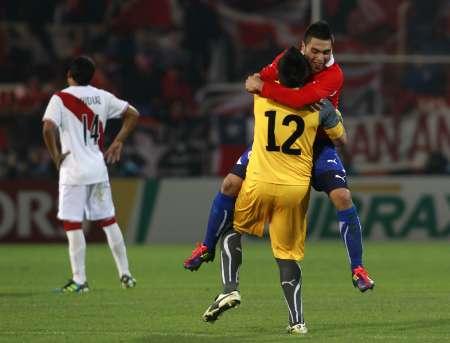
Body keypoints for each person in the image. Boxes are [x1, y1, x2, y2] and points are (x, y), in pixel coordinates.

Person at [184, 21, 374, 293]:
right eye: (315, 51)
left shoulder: (334, 75)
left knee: (343, 197)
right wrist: (259, 84)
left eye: (327, 52)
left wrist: (264, 89)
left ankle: (357, 268)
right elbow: (258, 78)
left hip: (317, 144)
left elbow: (292, 98)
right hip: (277, 143)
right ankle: (206, 246)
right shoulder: (286, 59)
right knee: (229, 184)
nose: (321, 58)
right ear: (303, 47)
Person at [202, 47, 347, 335]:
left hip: (260, 182)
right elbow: (340, 137)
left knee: (232, 230)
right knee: (287, 255)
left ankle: (229, 288)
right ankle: (297, 321)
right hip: (294, 188)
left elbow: (255, 82)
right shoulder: (318, 106)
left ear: (280, 74)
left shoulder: (262, 96)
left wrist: (262, 83)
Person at [42, 56, 139, 293]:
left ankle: (80, 280)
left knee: (72, 224)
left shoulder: (61, 98)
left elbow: (47, 128)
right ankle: (126, 274)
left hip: (72, 171)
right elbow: (133, 114)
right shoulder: (102, 96)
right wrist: (118, 141)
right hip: (97, 168)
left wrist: (55, 156)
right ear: (91, 76)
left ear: (69, 75)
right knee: (108, 221)